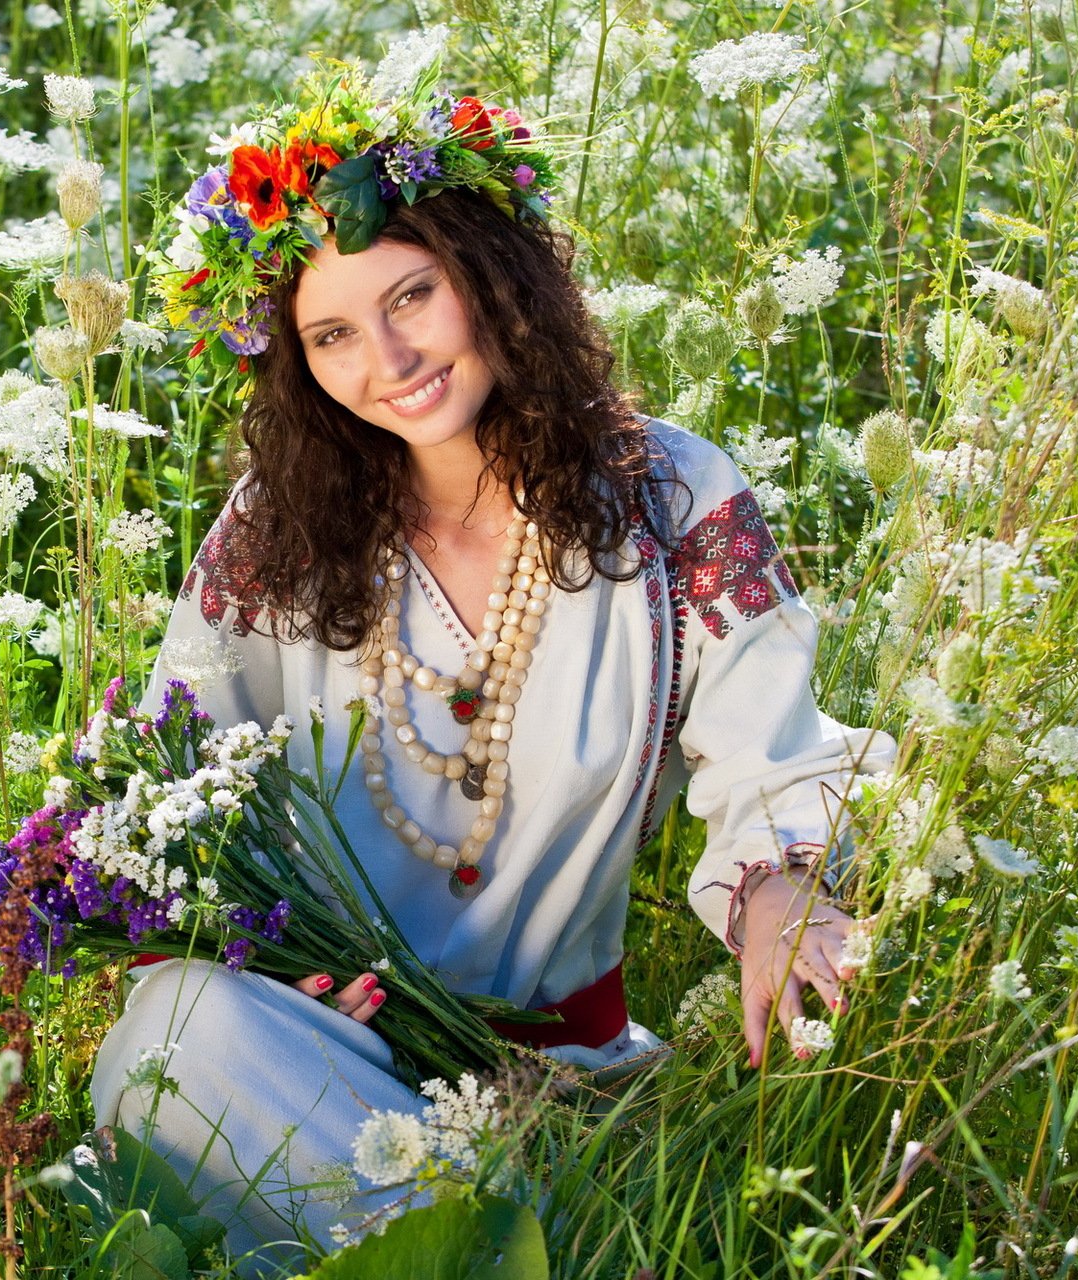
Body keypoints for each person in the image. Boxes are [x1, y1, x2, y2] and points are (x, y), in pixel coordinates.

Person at [88, 64, 896, 1266]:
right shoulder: (277, 530)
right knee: (166, 1033)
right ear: (295, 362)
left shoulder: (669, 500)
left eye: (413, 293)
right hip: (324, 1054)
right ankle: (509, 1246)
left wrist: (777, 890)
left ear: (488, 275)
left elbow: (773, 754)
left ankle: (479, 1233)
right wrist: (263, 965)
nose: (391, 356)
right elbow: (161, 788)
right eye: (334, 334)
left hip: (552, 1079)